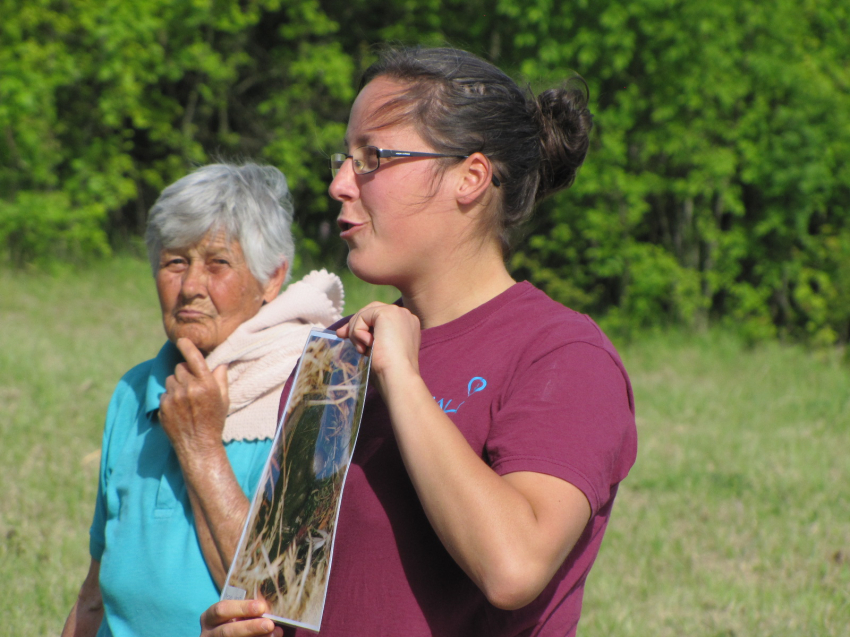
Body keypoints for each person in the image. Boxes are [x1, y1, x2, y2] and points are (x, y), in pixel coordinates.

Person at [201, 46, 637, 637]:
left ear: (470, 177)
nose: (338, 184)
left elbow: (513, 566)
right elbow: (279, 585)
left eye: (373, 158)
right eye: (344, 158)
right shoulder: (336, 356)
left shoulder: (562, 355)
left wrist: (403, 378)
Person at [61, 162, 345, 637]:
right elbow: (95, 591)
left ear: (272, 279)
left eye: (218, 263)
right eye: (175, 261)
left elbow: (278, 597)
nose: (191, 286)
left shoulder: (319, 389)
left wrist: (200, 447)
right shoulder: (136, 391)